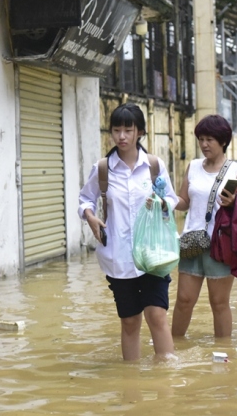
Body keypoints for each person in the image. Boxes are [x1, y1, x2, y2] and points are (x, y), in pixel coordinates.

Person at [78, 103, 178, 361]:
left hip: (154, 255)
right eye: (116, 130)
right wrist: (90, 217)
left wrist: (160, 204)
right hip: (118, 257)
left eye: (128, 130)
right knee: (130, 321)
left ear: (140, 132)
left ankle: (167, 382)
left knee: (157, 315)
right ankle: (131, 385)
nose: (121, 136)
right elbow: (85, 200)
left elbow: (172, 199)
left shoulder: (154, 166)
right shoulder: (102, 169)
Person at [172, 115, 237, 338]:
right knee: (184, 300)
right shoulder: (193, 167)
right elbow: (184, 201)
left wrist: (235, 202)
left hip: (221, 244)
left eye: (209, 140)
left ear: (223, 141)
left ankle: (224, 353)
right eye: (201, 139)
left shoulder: (236, 171)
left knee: (219, 302)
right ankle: (173, 347)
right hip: (191, 240)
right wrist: (163, 200)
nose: (204, 144)